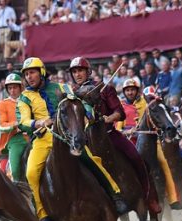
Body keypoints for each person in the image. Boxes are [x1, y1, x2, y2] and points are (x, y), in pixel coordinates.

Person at [16, 57, 127, 221]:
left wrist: (89, 113)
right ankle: (44, 216)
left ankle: (115, 194)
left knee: (91, 158)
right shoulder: (23, 97)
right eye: (26, 74)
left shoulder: (61, 88)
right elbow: (22, 122)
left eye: (33, 72)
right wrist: (38, 122)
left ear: (42, 72)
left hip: (67, 137)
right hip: (43, 139)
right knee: (30, 173)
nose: (29, 77)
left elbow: (79, 103)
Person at [69, 57, 169, 211]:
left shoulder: (104, 88)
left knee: (137, 158)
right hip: (86, 140)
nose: (77, 74)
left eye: (80, 70)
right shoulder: (72, 94)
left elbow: (120, 112)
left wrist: (109, 118)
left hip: (109, 134)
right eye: (74, 71)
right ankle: (96, 215)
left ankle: (149, 197)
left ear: (88, 71)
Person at [0, 73, 28, 181]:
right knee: (16, 169)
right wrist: (15, 124)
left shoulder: (29, 100)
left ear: (20, 87)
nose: (12, 90)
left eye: (15, 87)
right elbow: (1, 125)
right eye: (10, 88)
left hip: (34, 136)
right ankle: (17, 188)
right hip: (15, 139)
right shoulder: (1, 104)